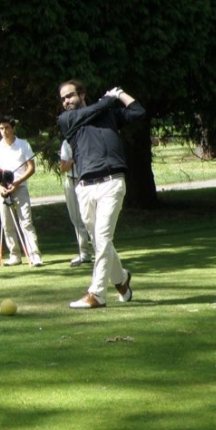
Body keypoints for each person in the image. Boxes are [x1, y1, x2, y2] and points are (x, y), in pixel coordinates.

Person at [57, 80, 146, 308]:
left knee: (103, 238)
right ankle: (121, 279)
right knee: (99, 241)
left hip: (111, 182)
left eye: (70, 96)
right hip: (85, 187)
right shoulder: (67, 120)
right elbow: (94, 109)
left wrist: (121, 93)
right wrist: (109, 99)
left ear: (82, 94)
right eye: (63, 98)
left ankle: (96, 294)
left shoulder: (109, 115)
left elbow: (137, 111)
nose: (66, 101)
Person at [0, 115, 43, 267]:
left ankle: (35, 256)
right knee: (7, 224)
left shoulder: (23, 145)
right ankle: (15, 256)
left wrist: (17, 182)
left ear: (13, 128)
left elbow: (31, 168)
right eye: (1, 128)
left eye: (7, 128)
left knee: (26, 222)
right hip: (3, 190)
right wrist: (0, 188)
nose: (4, 131)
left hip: (20, 188)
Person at [59, 139, 92, 267]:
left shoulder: (88, 139)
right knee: (77, 219)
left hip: (88, 180)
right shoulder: (67, 143)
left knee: (90, 217)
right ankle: (84, 253)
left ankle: (101, 251)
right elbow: (63, 167)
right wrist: (73, 159)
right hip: (72, 180)